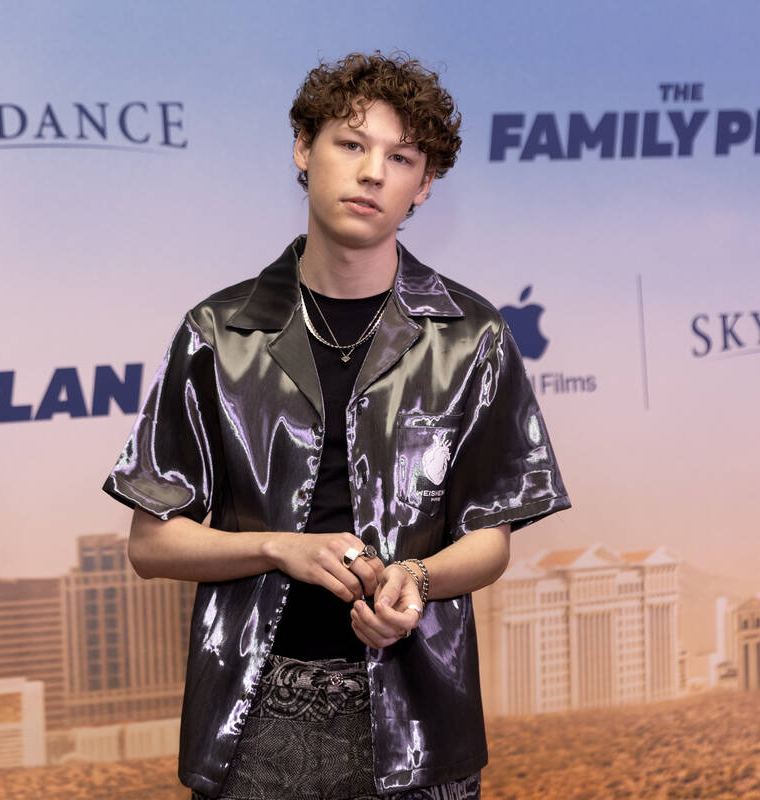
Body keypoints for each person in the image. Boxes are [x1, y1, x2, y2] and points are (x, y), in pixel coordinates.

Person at [103, 51, 570, 800]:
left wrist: (415, 577)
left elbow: (491, 539)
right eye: (351, 144)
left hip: (420, 726)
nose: (372, 173)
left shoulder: (471, 336)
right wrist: (278, 548)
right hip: (253, 724)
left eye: (401, 157)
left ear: (423, 187)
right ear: (303, 149)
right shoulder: (219, 334)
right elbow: (151, 543)